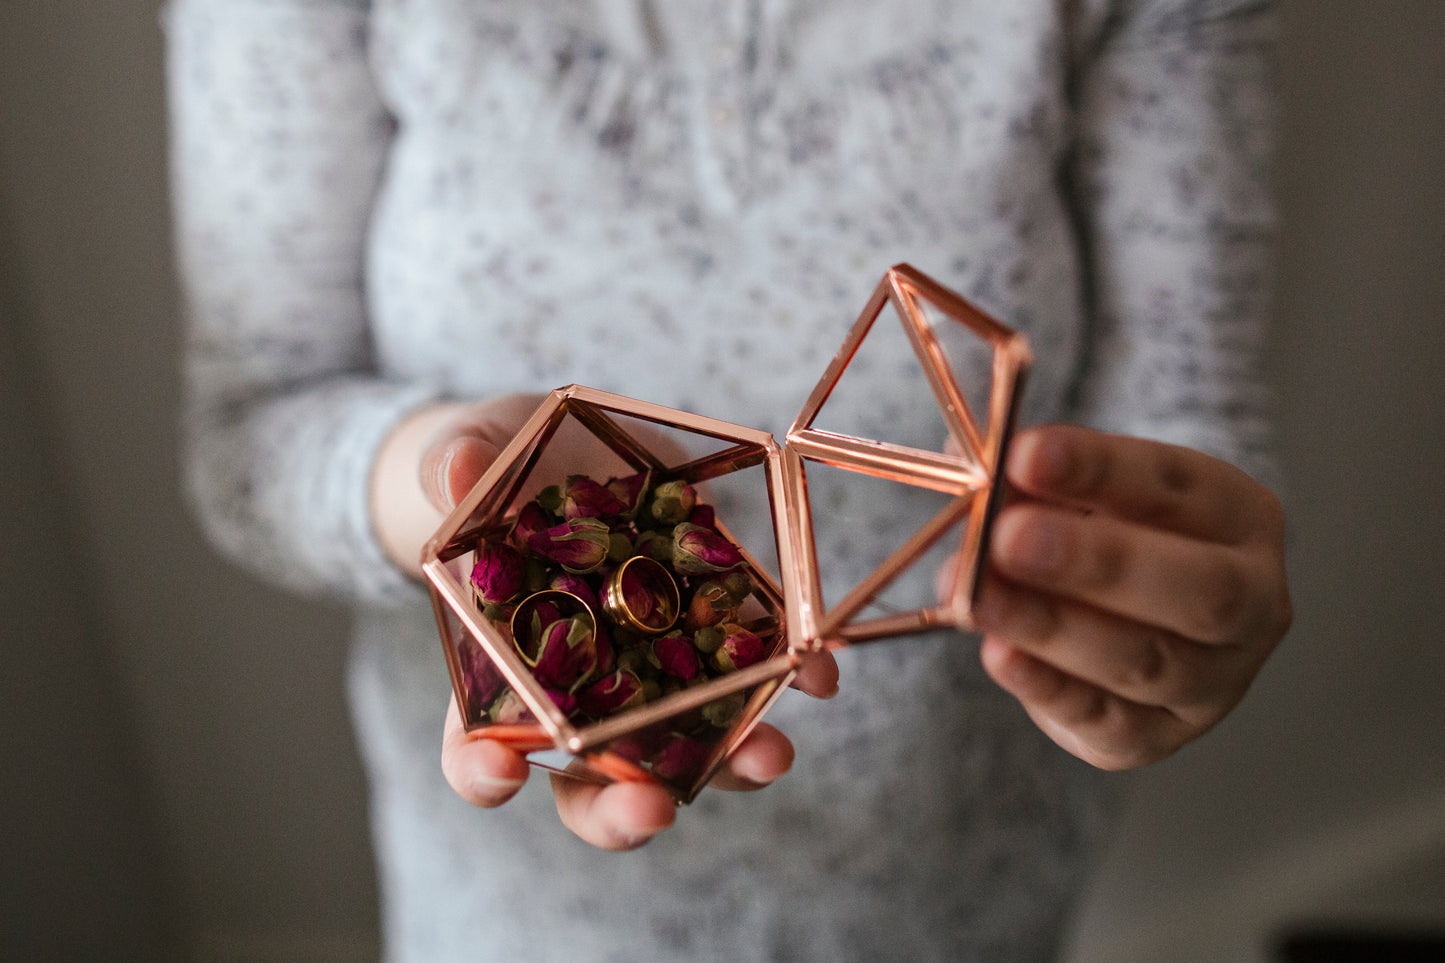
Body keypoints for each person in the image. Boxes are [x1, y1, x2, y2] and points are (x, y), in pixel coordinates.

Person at [165, 0, 1292, 959]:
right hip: (519, 909)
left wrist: (1160, 612)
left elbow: (1183, 432)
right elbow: (254, 428)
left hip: (957, 879)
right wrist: (444, 484)